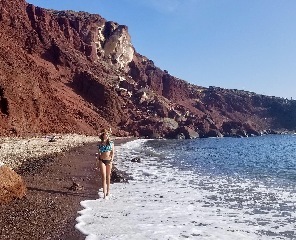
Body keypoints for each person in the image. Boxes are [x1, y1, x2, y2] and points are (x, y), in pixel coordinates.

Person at [96, 128, 114, 199]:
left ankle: (108, 192)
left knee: (108, 177)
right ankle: (104, 194)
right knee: (103, 176)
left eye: (107, 134)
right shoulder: (100, 144)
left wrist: (111, 160)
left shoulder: (111, 143)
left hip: (109, 161)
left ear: (108, 135)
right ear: (103, 135)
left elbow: (113, 152)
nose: (105, 136)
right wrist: (97, 162)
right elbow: (98, 154)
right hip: (101, 160)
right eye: (104, 134)